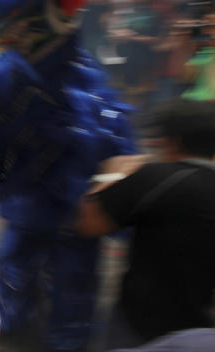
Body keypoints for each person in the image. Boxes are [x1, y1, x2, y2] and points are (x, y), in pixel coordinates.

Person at [74, 99, 215, 350]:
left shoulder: (155, 178)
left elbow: (89, 223)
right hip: (203, 328)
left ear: (173, 142)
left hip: (142, 323)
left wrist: (111, 173)